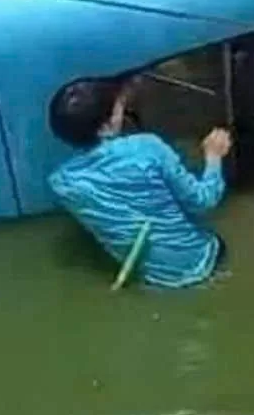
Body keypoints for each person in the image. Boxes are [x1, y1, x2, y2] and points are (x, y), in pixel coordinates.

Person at [48, 74, 232, 289]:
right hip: (199, 261)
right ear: (106, 126)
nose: (122, 109)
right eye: (117, 108)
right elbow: (203, 201)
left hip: (148, 276)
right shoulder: (147, 149)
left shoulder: (61, 183)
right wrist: (213, 156)